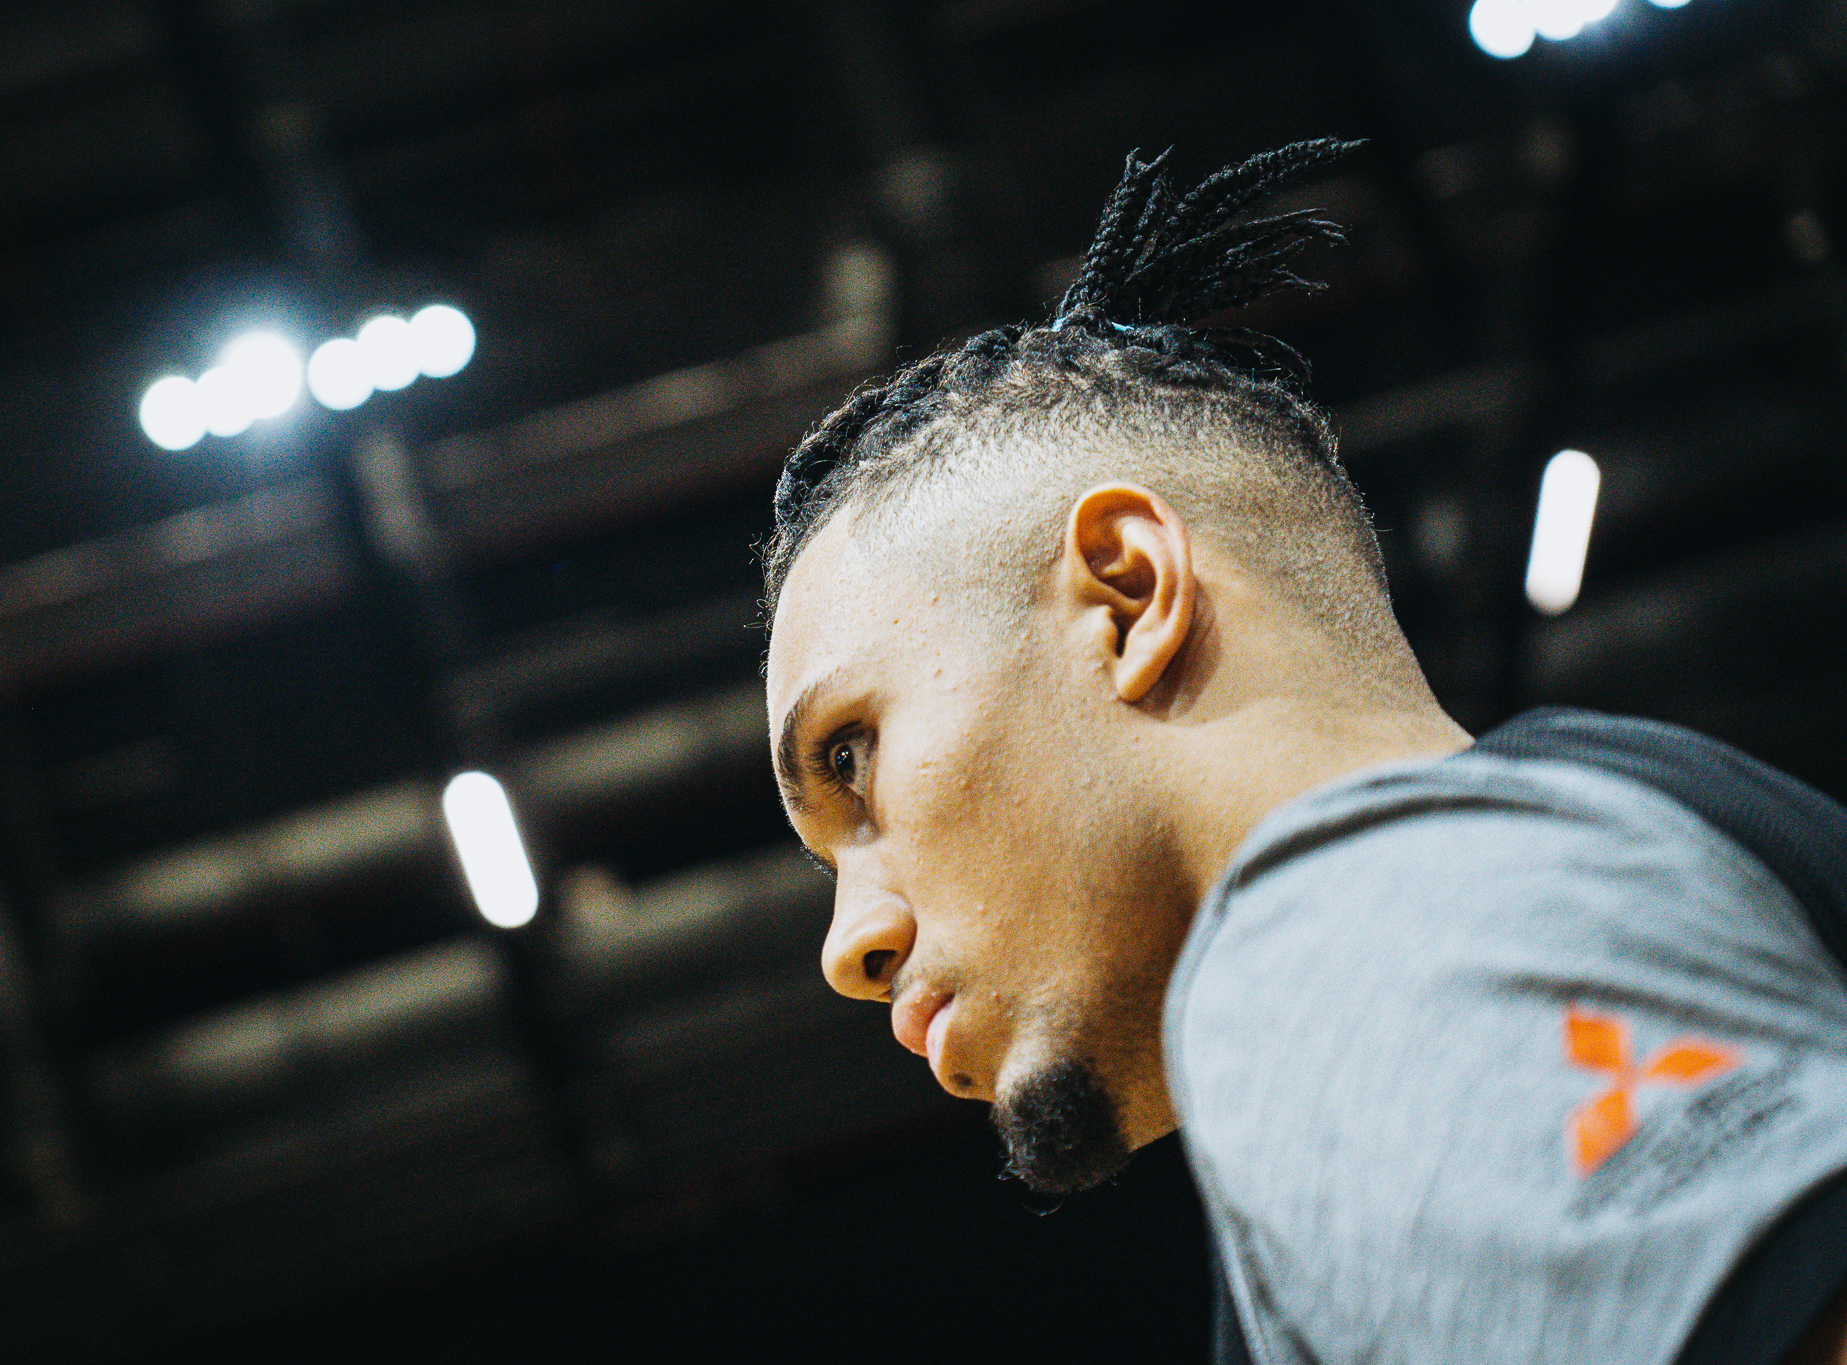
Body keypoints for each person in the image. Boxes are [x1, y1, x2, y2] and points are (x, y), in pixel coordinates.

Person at [759, 140, 1847, 1363]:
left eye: (850, 759)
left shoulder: (1355, 937)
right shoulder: (1653, 825)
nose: (850, 946)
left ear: (1126, 597)